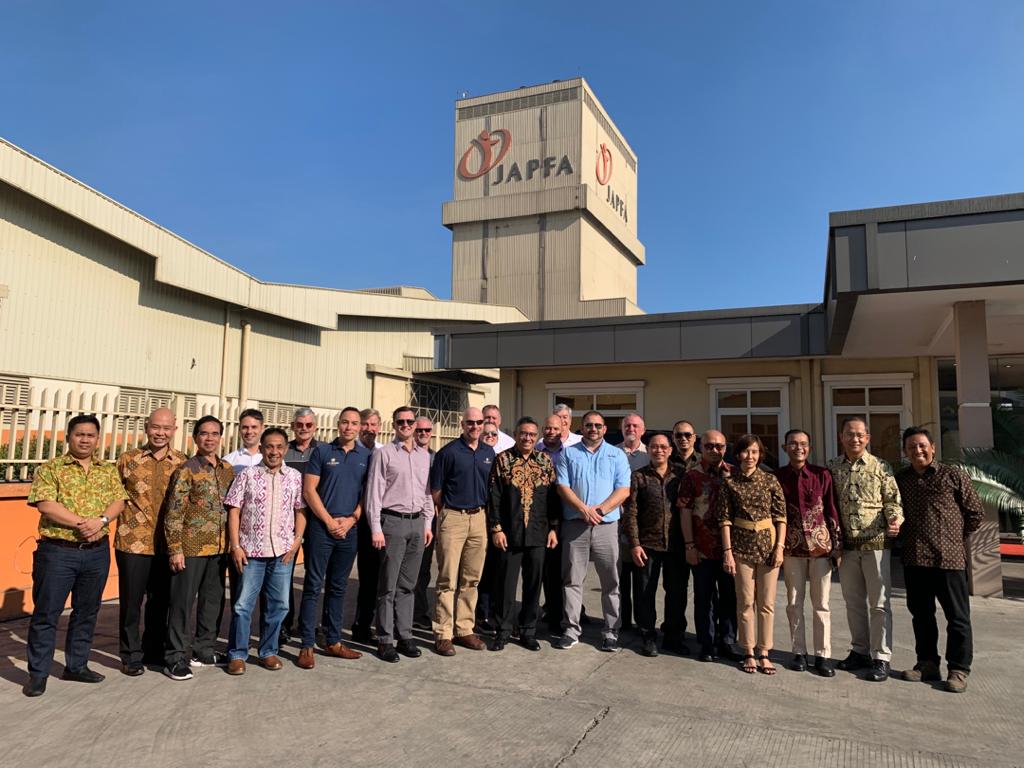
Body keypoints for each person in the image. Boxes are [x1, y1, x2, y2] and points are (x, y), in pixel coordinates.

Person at [22, 415, 127, 697]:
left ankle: (76, 666)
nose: (85, 440)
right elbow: (46, 505)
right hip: (58, 552)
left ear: (97, 439)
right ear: (69, 436)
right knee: (47, 613)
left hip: (96, 553)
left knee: (86, 611)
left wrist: (101, 521)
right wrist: (84, 524)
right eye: (79, 434)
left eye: (90, 435)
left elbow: (119, 500)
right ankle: (38, 673)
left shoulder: (107, 470)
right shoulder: (51, 468)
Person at [895, 426, 983, 693]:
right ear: (905, 451)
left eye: (922, 445)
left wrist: (953, 538)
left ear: (932, 447)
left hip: (949, 560)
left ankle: (958, 669)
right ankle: (927, 663)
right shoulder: (902, 480)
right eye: (911, 447)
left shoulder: (953, 475)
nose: (918, 450)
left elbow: (975, 513)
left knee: (957, 618)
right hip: (915, 559)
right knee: (921, 615)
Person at [224, 427, 306, 674]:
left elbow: (300, 510)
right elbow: (234, 511)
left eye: (279, 447)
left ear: (286, 449)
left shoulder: (294, 477)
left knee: (279, 605)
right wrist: (236, 546)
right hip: (251, 553)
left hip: (282, 553)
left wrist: (297, 540)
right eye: (269, 446)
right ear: (261, 448)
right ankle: (237, 653)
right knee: (242, 606)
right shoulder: (247, 475)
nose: (274, 451)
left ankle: (268, 651)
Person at [828, 416, 903, 682]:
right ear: (841, 437)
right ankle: (860, 650)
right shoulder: (833, 467)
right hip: (847, 547)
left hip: (876, 544)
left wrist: (895, 519)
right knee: (853, 602)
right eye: (850, 434)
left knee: (879, 604)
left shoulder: (880, 466)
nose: (855, 439)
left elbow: (892, 499)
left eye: (860, 434)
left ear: (867, 438)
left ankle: (881, 656)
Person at [115, 407, 187, 676]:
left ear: (174, 430)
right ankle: (130, 655)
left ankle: (153, 650)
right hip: (133, 542)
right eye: (156, 427)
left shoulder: (182, 462)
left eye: (166, 428)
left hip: (167, 544)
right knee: (131, 603)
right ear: (146, 427)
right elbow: (115, 496)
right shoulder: (128, 459)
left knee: (160, 602)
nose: (160, 433)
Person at [296, 407, 370, 669]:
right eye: (345, 422)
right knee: (313, 585)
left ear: (360, 427)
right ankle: (307, 644)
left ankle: (334, 641)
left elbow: (367, 493)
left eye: (354, 423)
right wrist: (329, 521)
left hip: (349, 530)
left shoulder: (366, 456)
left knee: (338, 587)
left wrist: (352, 520)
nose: (349, 427)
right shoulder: (323, 452)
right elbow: (309, 490)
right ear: (338, 424)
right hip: (322, 528)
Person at [163, 415, 235, 680]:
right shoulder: (186, 470)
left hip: (219, 548)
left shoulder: (227, 469)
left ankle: (204, 649)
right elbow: (174, 512)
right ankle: (175, 657)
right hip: (191, 549)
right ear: (195, 438)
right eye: (204, 433)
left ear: (221, 437)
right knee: (182, 603)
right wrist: (175, 548)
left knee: (213, 601)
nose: (209, 438)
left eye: (215, 433)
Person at [554, 410, 631, 652]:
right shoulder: (568, 453)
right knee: (572, 580)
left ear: (605, 429)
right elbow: (562, 486)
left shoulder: (617, 455)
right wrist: (583, 509)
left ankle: (610, 631)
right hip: (575, 525)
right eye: (589, 425)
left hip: (606, 526)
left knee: (611, 581)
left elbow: (623, 489)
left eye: (598, 425)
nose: (593, 429)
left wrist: (599, 510)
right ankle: (571, 629)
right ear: (582, 427)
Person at [366, 407, 433, 663]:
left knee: (408, 585)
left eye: (409, 421)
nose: (405, 425)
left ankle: (405, 635)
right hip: (392, 523)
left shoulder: (424, 456)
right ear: (394, 425)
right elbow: (374, 492)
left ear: (415, 424)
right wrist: (376, 527)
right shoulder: (384, 454)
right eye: (400, 421)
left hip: (417, 523)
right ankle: (385, 639)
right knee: (388, 586)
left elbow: (427, 492)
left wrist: (427, 523)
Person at [487, 417, 559, 651]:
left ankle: (528, 630)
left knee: (533, 584)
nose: (527, 438)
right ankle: (503, 630)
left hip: (538, 533)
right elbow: (494, 497)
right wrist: (496, 528)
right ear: (516, 435)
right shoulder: (503, 460)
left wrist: (554, 528)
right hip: (510, 533)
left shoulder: (545, 461)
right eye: (523, 433)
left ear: (537, 437)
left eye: (532, 434)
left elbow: (552, 498)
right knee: (505, 584)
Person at [719, 434, 787, 675]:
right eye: (746, 451)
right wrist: (728, 552)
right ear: (738, 454)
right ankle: (748, 650)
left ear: (761, 455)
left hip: (768, 546)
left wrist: (779, 547)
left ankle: (764, 652)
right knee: (745, 600)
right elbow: (724, 519)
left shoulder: (770, 480)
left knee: (766, 603)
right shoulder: (730, 483)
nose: (750, 456)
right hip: (741, 547)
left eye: (755, 452)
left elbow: (781, 516)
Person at [776, 429, 843, 677]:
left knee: (821, 603)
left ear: (810, 448)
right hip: (791, 547)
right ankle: (799, 652)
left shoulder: (821, 475)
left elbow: (832, 510)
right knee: (794, 602)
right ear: (785, 448)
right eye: (793, 444)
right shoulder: (778, 477)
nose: (798, 448)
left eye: (803, 444)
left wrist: (837, 546)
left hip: (820, 548)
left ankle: (823, 654)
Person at [430, 407, 495, 655]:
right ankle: (443, 633)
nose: (475, 426)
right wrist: (450, 513)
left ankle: (464, 628)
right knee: (447, 578)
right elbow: (436, 491)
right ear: (462, 424)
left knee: (471, 578)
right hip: (453, 517)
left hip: (479, 518)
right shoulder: (448, 453)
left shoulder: (489, 453)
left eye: (479, 422)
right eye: (470, 422)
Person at [621, 433, 685, 657]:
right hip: (647, 545)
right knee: (645, 592)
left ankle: (673, 636)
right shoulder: (638, 477)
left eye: (663, 447)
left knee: (676, 593)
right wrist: (634, 544)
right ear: (648, 450)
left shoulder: (681, 475)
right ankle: (647, 636)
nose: (659, 451)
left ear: (670, 450)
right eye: (654, 447)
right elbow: (631, 512)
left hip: (676, 545)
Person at [679, 429, 739, 662]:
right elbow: (685, 512)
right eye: (709, 446)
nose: (715, 450)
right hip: (702, 548)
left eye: (719, 446)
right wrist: (689, 545)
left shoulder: (734, 473)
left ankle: (728, 641)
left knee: (730, 597)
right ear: (701, 447)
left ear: (726, 448)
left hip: (731, 550)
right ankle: (707, 642)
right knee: (704, 598)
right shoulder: (691, 476)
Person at [276, 406, 321, 642]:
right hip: (286, 521)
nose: (304, 429)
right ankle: (284, 623)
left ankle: (308, 624)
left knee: (313, 576)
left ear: (315, 427)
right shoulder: (284, 451)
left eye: (308, 425)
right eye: (299, 425)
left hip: (316, 521)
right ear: (293, 427)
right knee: (284, 574)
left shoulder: (323, 451)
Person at [351, 407, 384, 644]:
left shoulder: (383, 452)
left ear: (379, 427)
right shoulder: (350, 450)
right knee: (336, 577)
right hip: (347, 521)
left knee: (370, 578)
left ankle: (363, 626)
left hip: (371, 522)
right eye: (365, 424)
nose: (369, 429)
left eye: (373, 424)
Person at [615, 413, 648, 632]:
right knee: (619, 577)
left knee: (642, 578)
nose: (631, 429)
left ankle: (643, 623)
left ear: (643, 430)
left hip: (642, 526)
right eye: (627, 425)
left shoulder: (650, 454)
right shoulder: (612, 452)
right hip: (617, 523)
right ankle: (622, 621)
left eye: (636, 426)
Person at [538, 414, 568, 634]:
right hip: (538, 516)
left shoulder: (569, 453)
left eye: (555, 429)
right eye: (548, 428)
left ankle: (557, 615)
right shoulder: (535, 451)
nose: (551, 432)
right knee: (539, 569)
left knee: (558, 570)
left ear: (563, 430)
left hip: (563, 516)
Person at [412, 416, 437, 628]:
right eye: (419, 430)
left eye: (427, 430)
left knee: (423, 569)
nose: (423, 433)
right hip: (407, 516)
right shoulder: (404, 455)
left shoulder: (436, 458)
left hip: (429, 518)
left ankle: (419, 613)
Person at [224, 408, 264, 472]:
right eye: (245, 427)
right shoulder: (228, 461)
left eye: (254, 427)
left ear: (262, 428)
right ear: (240, 429)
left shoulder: (273, 459)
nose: (249, 431)